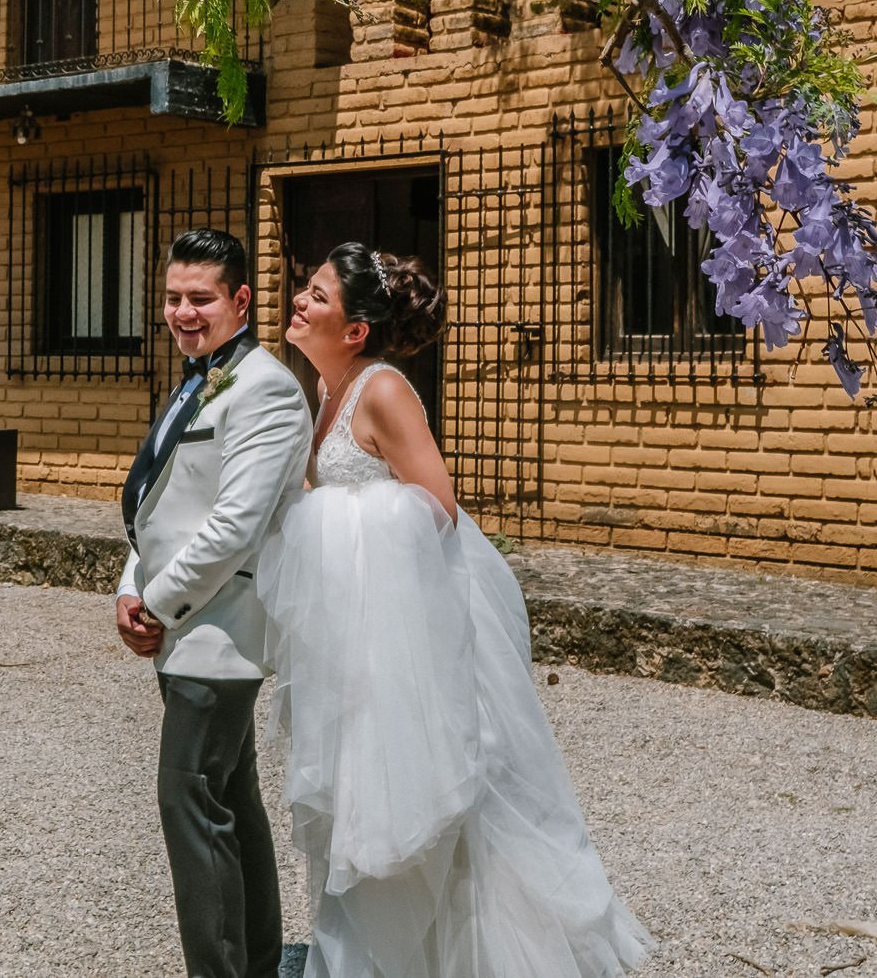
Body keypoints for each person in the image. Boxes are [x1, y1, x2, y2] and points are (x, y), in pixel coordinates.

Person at [261, 241, 652, 978]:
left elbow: (436, 507)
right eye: (305, 288)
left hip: (408, 632)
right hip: (361, 633)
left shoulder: (382, 390)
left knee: (432, 802)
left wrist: (324, 516)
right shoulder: (325, 390)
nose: (299, 301)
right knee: (364, 795)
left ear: (354, 330)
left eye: (316, 294)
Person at [116, 228, 314, 978]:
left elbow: (235, 523)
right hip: (181, 625)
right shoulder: (198, 377)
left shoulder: (261, 385)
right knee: (229, 799)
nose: (183, 312)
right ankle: (257, 964)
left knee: (188, 802)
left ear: (241, 300)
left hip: (220, 629)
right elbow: (162, 503)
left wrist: (158, 604)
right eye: (172, 297)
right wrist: (131, 587)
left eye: (200, 298)